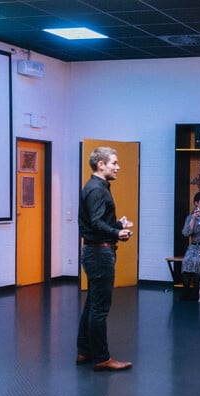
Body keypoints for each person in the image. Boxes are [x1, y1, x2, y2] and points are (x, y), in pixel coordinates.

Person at [77, 146, 134, 372]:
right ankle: (101, 358)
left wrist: (118, 224)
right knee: (100, 307)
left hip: (96, 251)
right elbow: (96, 223)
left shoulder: (96, 187)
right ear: (101, 165)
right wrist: (116, 232)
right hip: (100, 254)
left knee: (93, 302)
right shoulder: (97, 190)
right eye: (114, 163)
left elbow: (98, 221)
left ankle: (85, 351)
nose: (118, 167)